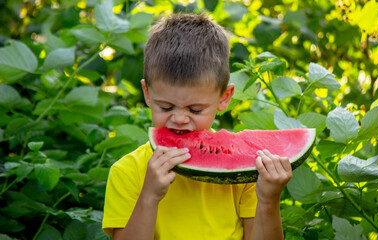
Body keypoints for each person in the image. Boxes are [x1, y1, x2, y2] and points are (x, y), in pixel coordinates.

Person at [102, 13, 292, 240]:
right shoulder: (128, 172)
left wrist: (269, 200)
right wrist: (149, 196)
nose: (180, 119)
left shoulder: (246, 171)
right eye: (166, 107)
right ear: (147, 94)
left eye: (195, 110)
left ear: (224, 97)